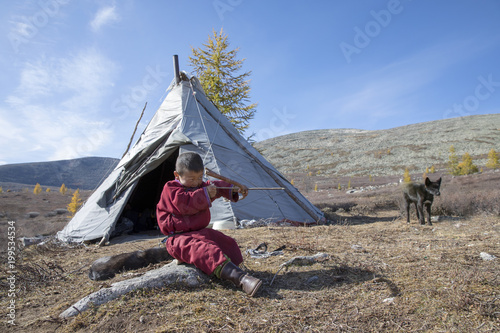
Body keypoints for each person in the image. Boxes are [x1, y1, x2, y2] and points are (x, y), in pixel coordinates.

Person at [156, 152, 262, 296]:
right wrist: (205, 194)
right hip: (177, 239)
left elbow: (217, 186)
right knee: (204, 250)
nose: (196, 182)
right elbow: (183, 203)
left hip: (200, 232)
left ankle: (231, 269)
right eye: (191, 179)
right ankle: (240, 278)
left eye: (199, 178)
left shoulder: (200, 187)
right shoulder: (171, 189)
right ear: (177, 175)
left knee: (226, 242)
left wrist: (234, 188)